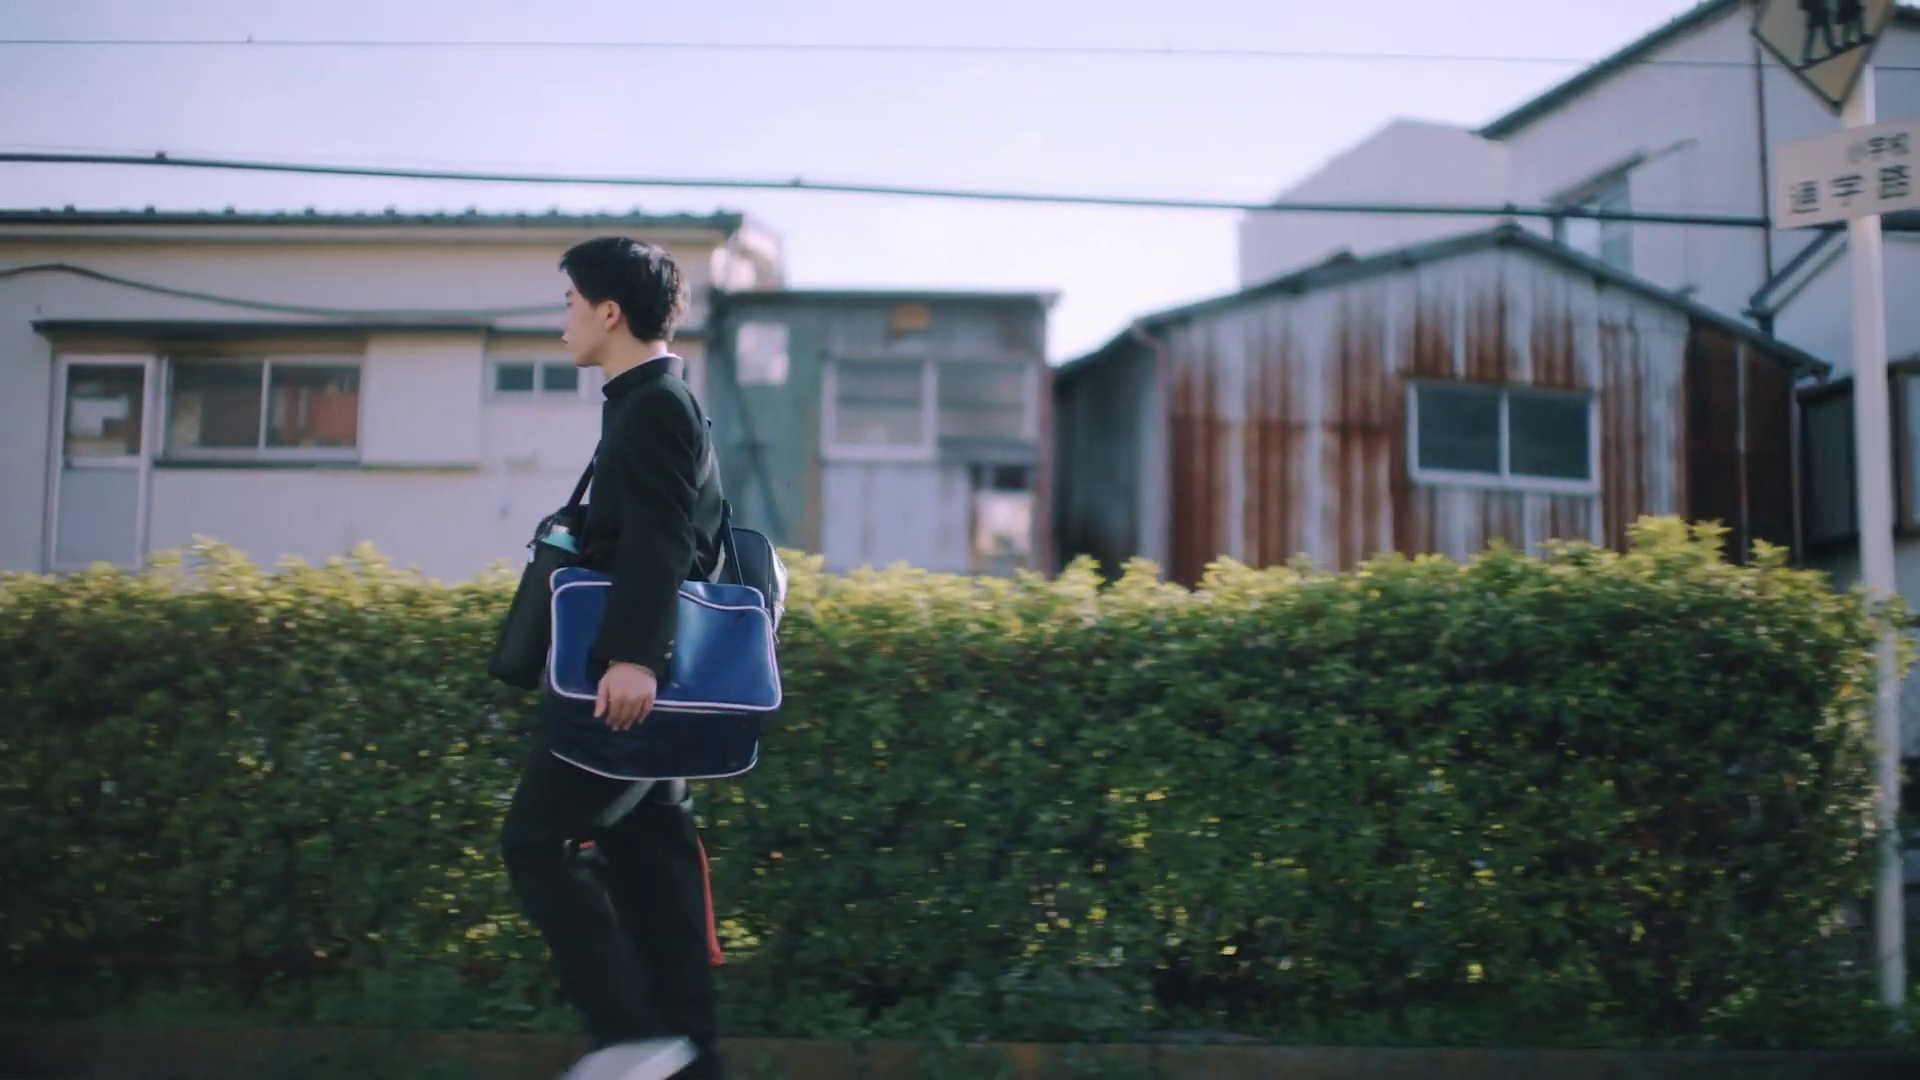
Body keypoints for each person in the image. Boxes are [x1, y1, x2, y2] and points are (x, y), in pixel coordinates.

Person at [501, 236, 729, 1080]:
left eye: (569, 301)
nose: (562, 317)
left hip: (629, 687)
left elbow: (663, 541)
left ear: (609, 311)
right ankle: (690, 1057)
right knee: (654, 878)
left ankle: (628, 1035)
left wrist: (633, 658)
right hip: (647, 686)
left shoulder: (656, 407)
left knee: (534, 841)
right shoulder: (645, 402)